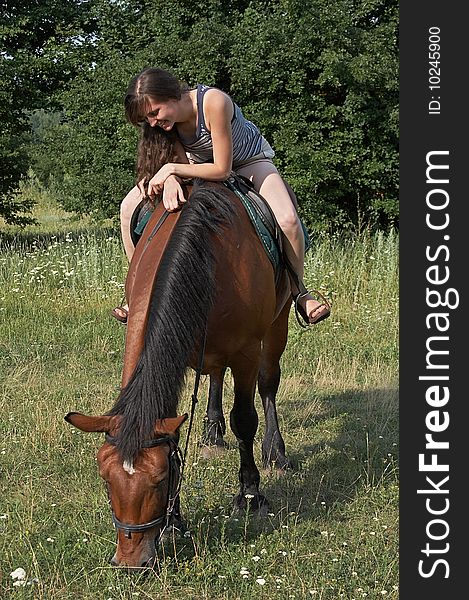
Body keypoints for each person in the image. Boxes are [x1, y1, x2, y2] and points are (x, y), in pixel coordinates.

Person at [112, 67, 330, 326]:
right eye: (146, 118)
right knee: (127, 208)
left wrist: (171, 170)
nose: (152, 123)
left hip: (248, 163)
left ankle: (300, 294)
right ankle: (138, 291)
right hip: (197, 168)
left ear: (171, 95)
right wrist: (170, 178)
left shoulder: (213, 102)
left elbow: (222, 169)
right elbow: (179, 162)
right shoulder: (165, 125)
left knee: (288, 220)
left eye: (154, 113)